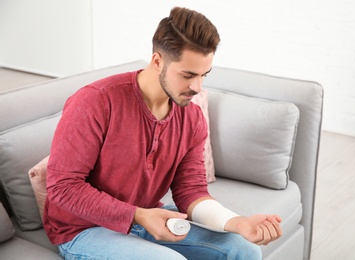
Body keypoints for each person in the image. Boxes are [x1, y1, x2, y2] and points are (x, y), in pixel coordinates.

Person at [44, 7, 282, 259]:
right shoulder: (96, 101)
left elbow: (190, 191)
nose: (196, 87)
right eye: (187, 75)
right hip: (83, 229)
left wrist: (237, 223)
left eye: (204, 75)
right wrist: (139, 215)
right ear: (157, 61)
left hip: (147, 217)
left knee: (243, 249)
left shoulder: (192, 118)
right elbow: (63, 187)